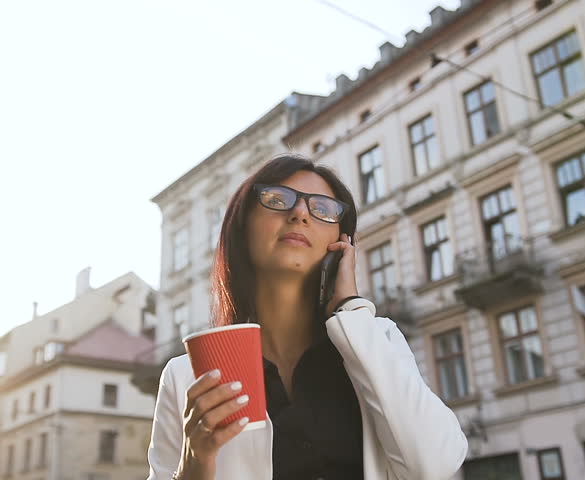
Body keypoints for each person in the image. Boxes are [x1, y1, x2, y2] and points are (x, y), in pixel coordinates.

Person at [147, 155, 468, 480]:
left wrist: (351, 309)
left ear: (342, 244)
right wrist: (193, 464)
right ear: (242, 228)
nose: (300, 213)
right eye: (276, 200)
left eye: (324, 209)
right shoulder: (187, 376)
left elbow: (436, 464)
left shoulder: (374, 340)